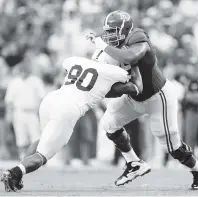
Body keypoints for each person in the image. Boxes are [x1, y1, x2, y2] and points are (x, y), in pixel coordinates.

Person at [87, 10, 198, 190]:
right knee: (109, 124)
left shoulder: (137, 36)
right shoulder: (108, 52)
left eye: (113, 31)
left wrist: (101, 45)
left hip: (158, 96)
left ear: (125, 30)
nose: (109, 36)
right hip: (134, 97)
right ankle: (134, 163)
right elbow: (112, 88)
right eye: (107, 32)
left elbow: (130, 56)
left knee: (172, 146)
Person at [0, 50, 141, 192]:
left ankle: (18, 173)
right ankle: (14, 172)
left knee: (42, 140)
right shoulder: (112, 71)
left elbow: (66, 65)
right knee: (43, 155)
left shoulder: (76, 60)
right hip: (68, 108)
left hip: (51, 99)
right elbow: (136, 87)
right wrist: (134, 63)